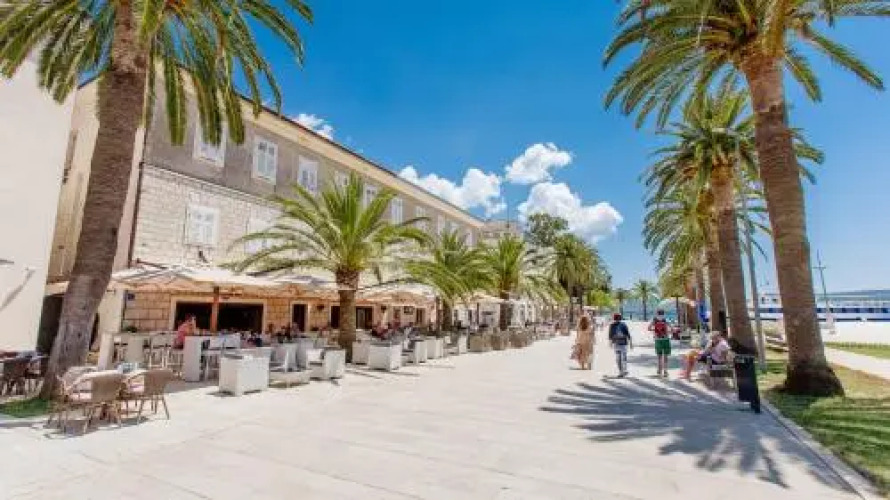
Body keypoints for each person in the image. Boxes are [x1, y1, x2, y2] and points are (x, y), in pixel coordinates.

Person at [649, 309, 671, 378]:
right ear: (663, 313)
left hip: (658, 340)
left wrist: (655, 331)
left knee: (659, 356)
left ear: (657, 313)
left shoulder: (654, 320)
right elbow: (672, 329)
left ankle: (659, 370)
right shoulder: (666, 320)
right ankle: (665, 371)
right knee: (665, 356)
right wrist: (667, 332)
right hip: (666, 339)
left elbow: (649, 328)